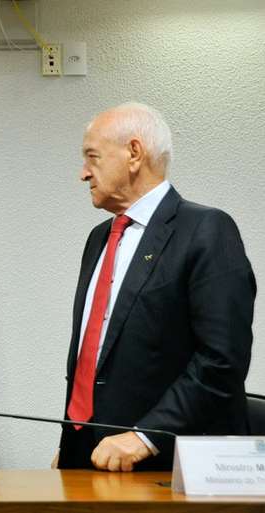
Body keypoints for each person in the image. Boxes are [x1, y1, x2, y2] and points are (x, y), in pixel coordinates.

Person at [58, 102, 256, 472]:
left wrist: (144, 436)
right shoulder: (99, 239)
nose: (83, 174)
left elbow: (222, 361)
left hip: (166, 469)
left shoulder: (206, 231)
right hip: (90, 459)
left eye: (92, 157)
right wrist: (74, 441)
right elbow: (96, 359)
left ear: (134, 153)